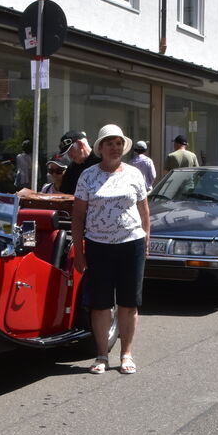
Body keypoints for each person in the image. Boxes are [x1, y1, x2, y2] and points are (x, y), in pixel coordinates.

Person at [72, 124, 150, 376]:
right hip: (98, 246)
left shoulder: (134, 174)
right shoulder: (88, 176)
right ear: (101, 148)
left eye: (118, 143)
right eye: (110, 143)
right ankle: (102, 354)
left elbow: (144, 211)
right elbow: (78, 216)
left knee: (129, 303)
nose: (115, 148)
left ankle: (126, 353)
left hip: (131, 245)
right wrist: (79, 252)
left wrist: (146, 240)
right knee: (100, 304)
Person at [60, 130, 99, 196]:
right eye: (67, 153)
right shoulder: (71, 169)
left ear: (80, 144)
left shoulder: (101, 160)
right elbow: (65, 194)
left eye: (70, 150)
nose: (69, 155)